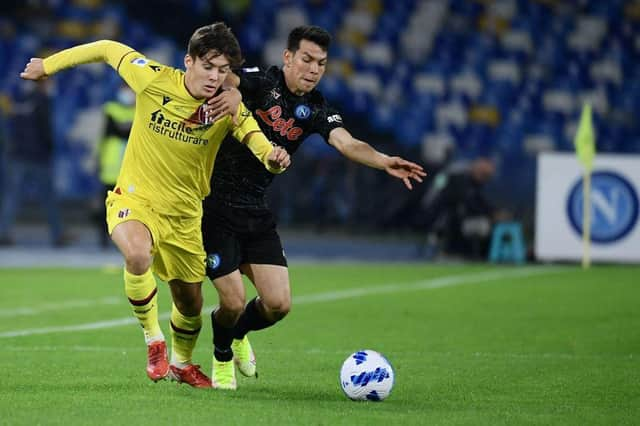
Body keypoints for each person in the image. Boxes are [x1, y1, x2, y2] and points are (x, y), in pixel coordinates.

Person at [20, 22, 291, 388]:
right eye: (208, 67)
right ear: (188, 62)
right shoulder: (152, 79)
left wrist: (272, 157)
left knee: (191, 305)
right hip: (135, 198)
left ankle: (181, 363)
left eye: (223, 71)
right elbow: (105, 47)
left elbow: (256, 140)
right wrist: (47, 66)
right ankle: (153, 341)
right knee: (136, 254)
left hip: (185, 217)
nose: (214, 77)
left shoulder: (228, 107)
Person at [202, 25, 426, 389]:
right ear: (288, 57)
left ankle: (239, 335)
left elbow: (347, 143)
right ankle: (222, 354)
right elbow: (224, 76)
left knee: (278, 305)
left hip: (255, 211)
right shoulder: (262, 83)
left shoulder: (317, 109)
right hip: (214, 207)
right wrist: (227, 89)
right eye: (306, 59)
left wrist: (384, 160)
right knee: (232, 301)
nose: (313, 69)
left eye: (321, 63)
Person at [0, 79, 68, 247]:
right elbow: (46, 129)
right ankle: (58, 235)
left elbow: (9, 127)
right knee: (49, 198)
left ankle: (3, 233)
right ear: (43, 84)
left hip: (17, 155)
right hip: (38, 157)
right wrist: (50, 148)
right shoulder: (43, 100)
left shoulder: (20, 99)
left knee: (12, 198)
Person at [95, 84, 134, 247]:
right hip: (111, 169)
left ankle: (128, 240)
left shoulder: (141, 110)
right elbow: (110, 132)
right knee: (107, 205)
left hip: (132, 171)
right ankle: (104, 238)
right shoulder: (110, 109)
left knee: (132, 208)